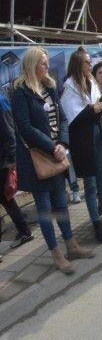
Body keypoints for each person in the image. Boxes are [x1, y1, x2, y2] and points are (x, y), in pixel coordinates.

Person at [11, 47, 95, 274]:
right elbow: (25, 127)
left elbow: (63, 118)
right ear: (32, 65)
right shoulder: (20, 91)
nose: (47, 67)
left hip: (57, 155)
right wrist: (52, 147)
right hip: (39, 160)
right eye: (43, 64)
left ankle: (71, 245)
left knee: (61, 204)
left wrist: (64, 144)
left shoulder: (50, 86)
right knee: (46, 209)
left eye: (47, 63)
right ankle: (56, 254)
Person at [60, 48, 102, 243]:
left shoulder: (91, 82)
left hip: (98, 136)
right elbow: (72, 116)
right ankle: (97, 226)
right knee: (91, 183)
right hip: (84, 142)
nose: (90, 65)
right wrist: (93, 109)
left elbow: (99, 105)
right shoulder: (69, 86)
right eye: (87, 62)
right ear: (79, 64)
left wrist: (100, 108)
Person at [0, 90, 34, 248]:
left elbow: (9, 133)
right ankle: (25, 230)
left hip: (3, 161)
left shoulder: (1, 101)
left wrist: (10, 162)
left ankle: (25, 230)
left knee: (6, 198)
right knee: (6, 199)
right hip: (4, 160)